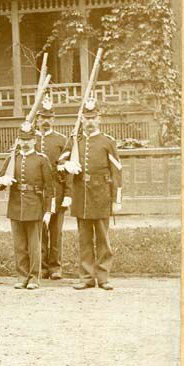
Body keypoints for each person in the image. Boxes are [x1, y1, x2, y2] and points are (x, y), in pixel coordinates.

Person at [69, 99, 122, 290]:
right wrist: (67, 165)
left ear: (99, 119)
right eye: (86, 118)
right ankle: (87, 277)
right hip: (81, 196)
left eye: (93, 118)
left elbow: (117, 171)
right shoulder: (75, 141)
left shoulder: (107, 142)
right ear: (82, 120)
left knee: (102, 239)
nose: (90, 122)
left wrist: (116, 200)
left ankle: (103, 277)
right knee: (84, 239)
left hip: (101, 195)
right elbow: (61, 161)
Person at [0, 121, 54, 290]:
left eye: (28, 139)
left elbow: (49, 188)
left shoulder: (41, 160)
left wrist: (48, 211)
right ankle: (22, 276)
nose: (25, 143)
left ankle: (34, 277)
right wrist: (1, 181)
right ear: (18, 140)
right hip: (15, 206)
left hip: (35, 206)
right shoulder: (12, 159)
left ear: (34, 140)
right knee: (19, 245)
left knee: (34, 245)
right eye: (22, 139)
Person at [36, 97, 72, 280]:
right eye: (43, 117)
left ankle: (55, 267)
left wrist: (68, 193)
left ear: (54, 119)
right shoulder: (30, 139)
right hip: (38, 192)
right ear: (37, 119)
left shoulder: (61, 140)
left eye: (49, 117)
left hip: (57, 191)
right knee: (40, 229)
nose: (46, 121)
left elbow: (68, 169)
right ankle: (42, 266)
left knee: (56, 231)